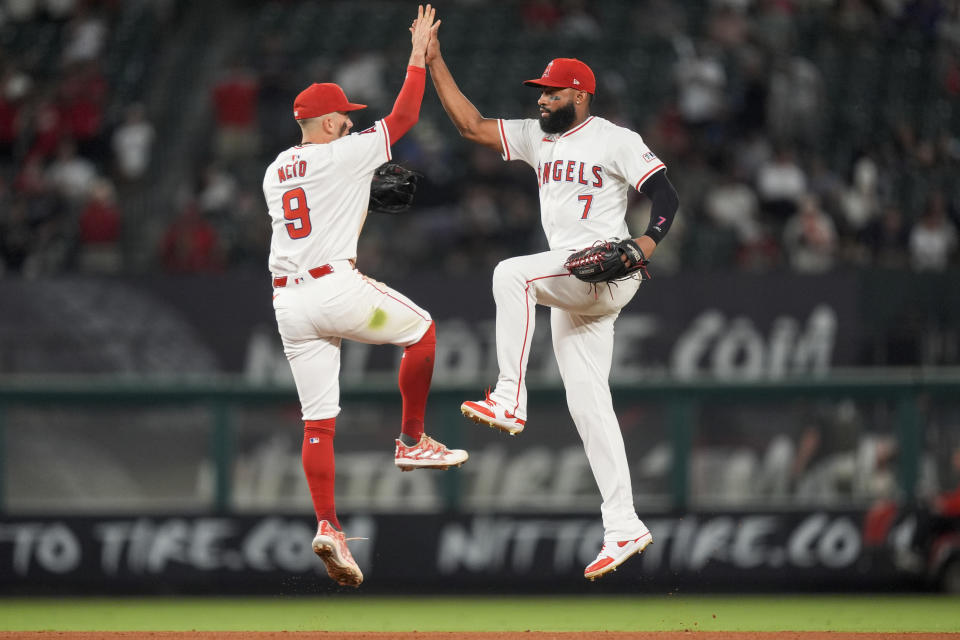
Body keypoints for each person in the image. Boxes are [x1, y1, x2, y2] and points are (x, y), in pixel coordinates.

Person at [426, 34, 679, 580]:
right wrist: (435, 61)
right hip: (574, 281)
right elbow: (470, 125)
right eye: (539, 92)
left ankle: (510, 397)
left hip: (606, 270)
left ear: (579, 95)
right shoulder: (538, 139)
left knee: (510, 273)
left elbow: (667, 194)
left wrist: (645, 244)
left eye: (550, 93)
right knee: (590, 406)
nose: (540, 100)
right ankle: (624, 525)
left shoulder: (614, 139)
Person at [261, 4, 466, 589]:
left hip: (288, 304)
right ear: (326, 122)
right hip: (332, 286)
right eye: (345, 117)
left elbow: (320, 200)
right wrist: (416, 55)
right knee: (422, 330)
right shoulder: (343, 150)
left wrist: (353, 196)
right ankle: (411, 440)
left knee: (317, 425)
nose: (352, 123)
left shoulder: (277, 169)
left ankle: (328, 524)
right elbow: (401, 118)